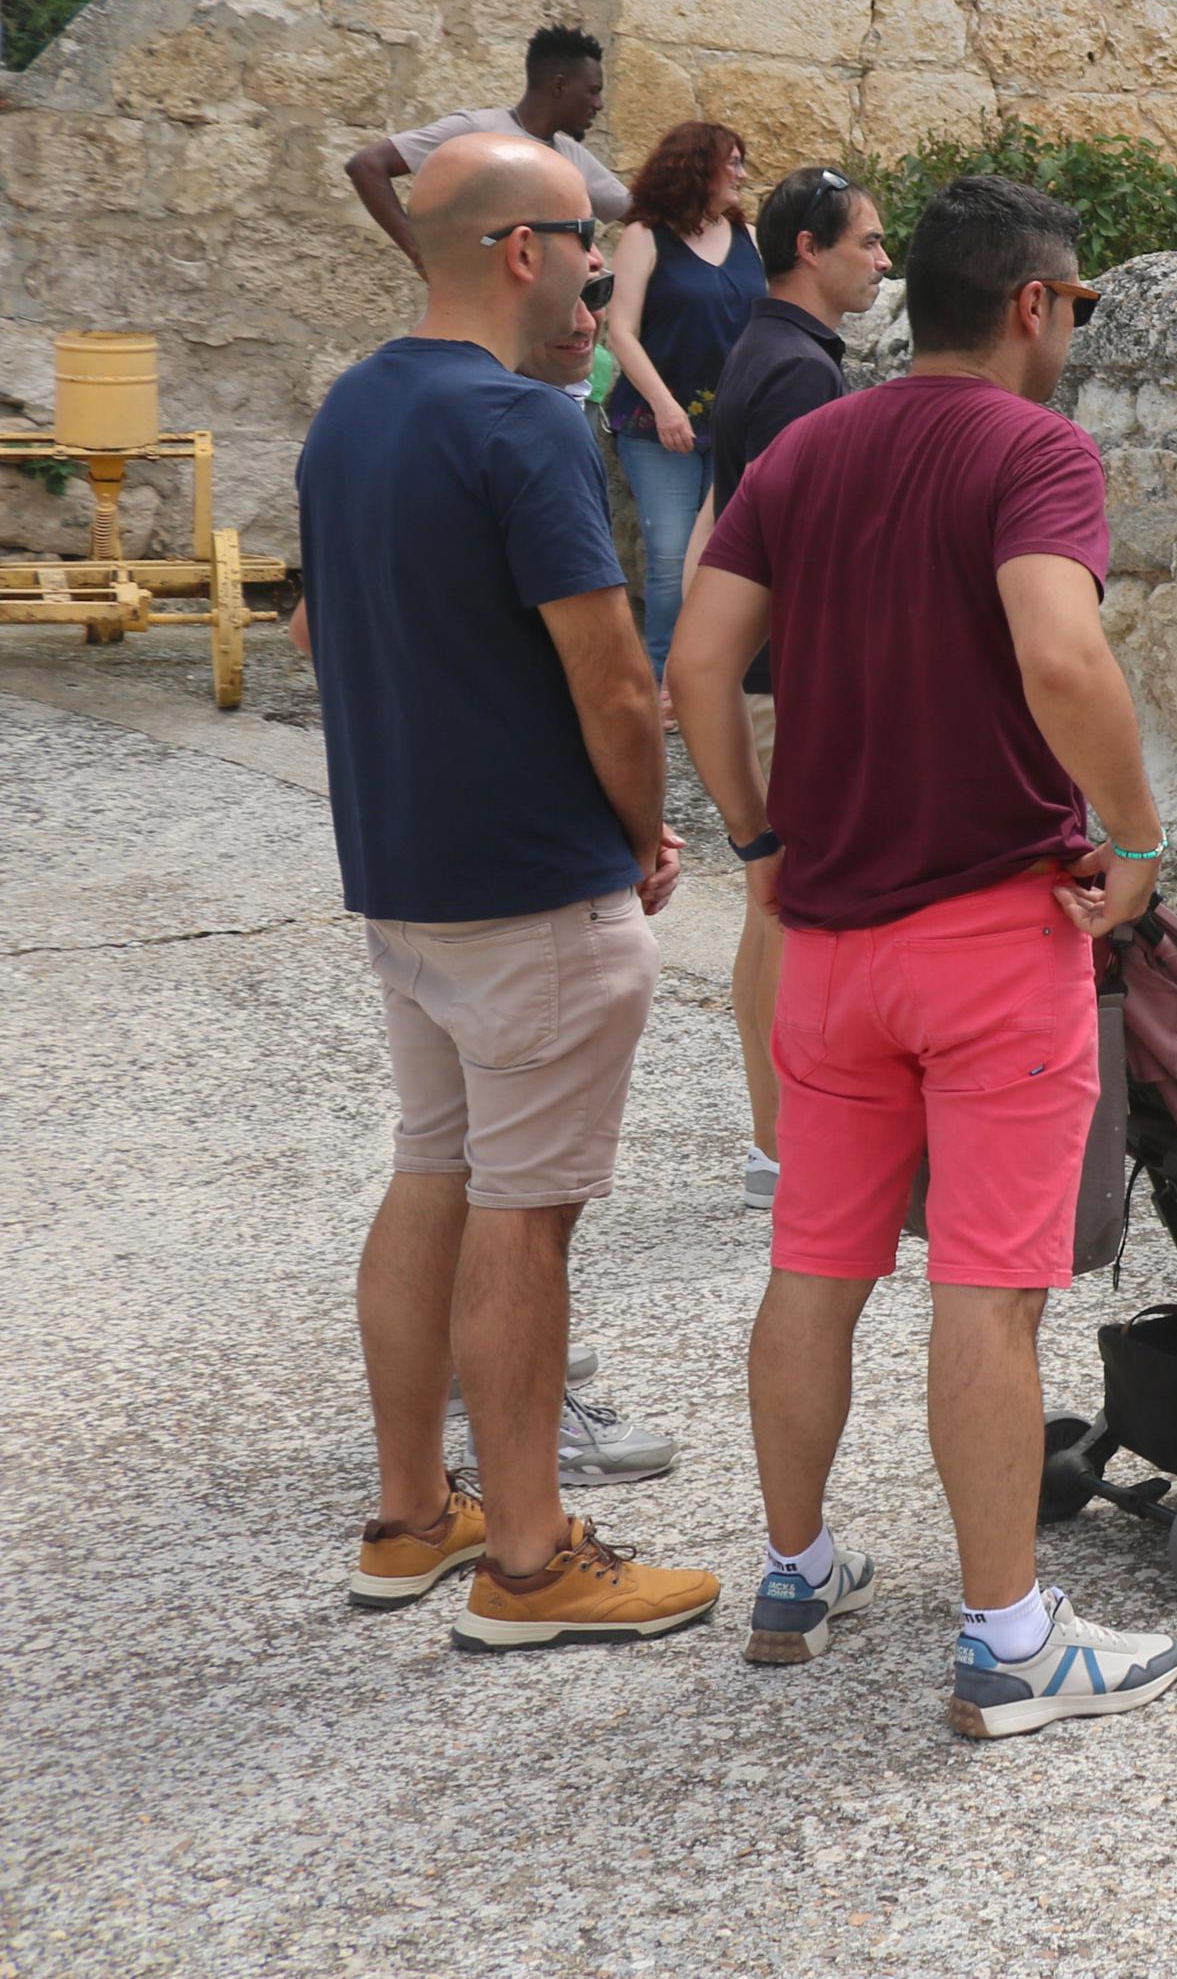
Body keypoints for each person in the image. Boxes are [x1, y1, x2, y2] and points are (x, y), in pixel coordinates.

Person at [669, 172, 1177, 1733]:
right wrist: (1140, 835)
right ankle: (1009, 1633)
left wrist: (759, 841)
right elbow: (1057, 646)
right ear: (1032, 302)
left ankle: (795, 1567)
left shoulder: (812, 443)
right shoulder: (1034, 450)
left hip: (829, 942)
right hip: (985, 934)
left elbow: (698, 659)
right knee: (990, 1286)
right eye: (1075, 304)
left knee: (813, 1266)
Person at [299, 131, 718, 1649]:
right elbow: (614, 683)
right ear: (519, 250)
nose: (605, 273)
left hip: (405, 875)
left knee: (434, 1170)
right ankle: (533, 1562)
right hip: (531, 883)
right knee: (525, 1217)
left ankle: (414, 1513)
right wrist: (645, 832)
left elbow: (320, 635)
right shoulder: (526, 422)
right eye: (585, 244)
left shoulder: (349, 409)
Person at [690, 165, 892, 1205]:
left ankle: (775, 1126)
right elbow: (800, 551)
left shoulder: (769, 351)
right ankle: (780, 1139)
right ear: (808, 248)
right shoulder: (799, 374)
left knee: (765, 907)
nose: (881, 259)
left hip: (766, 670)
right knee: (780, 903)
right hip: (784, 678)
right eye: (864, 240)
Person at [597, 120, 763, 688]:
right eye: (732, 163)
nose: (742, 174)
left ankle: (712, 676)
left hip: (734, 422)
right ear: (698, 169)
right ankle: (666, 684)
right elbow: (620, 331)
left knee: (723, 557)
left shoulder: (752, 239)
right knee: (669, 557)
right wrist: (667, 407)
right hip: (655, 424)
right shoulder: (646, 236)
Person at [343, 25, 630, 268]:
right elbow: (367, 165)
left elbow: (641, 212)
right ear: (559, 86)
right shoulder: (476, 129)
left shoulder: (572, 156)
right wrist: (419, 255)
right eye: (592, 91)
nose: (598, 104)